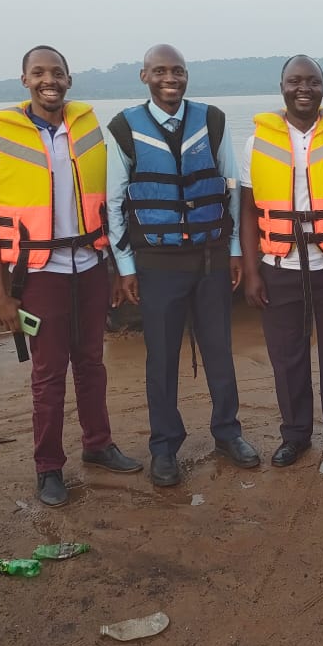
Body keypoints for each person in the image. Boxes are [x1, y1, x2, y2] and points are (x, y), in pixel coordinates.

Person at [0, 46, 142, 507]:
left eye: (57, 73)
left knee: (92, 363)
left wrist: (111, 267)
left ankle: (98, 444)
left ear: (69, 79)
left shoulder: (87, 127)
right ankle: (48, 466)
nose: (49, 80)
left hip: (88, 265)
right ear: (25, 80)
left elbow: (106, 206)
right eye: (39, 73)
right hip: (38, 272)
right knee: (48, 376)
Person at [106, 44, 258, 487]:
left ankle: (228, 433)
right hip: (157, 262)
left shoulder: (212, 120)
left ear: (187, 75)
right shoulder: (123, 128)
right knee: (162, 358)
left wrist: (233, 251)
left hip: (210, 257)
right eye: (159, 71)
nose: (169, 78)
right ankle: (164, 446)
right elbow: (115, 202)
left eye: (177, 71)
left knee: (218, 351)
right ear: (143, 76)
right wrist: (125, 265)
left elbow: (230, 189)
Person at [240, 55, 323, 468]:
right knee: (287, 356)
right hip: (279, 265)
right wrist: (251, 271)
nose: (304, 88)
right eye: (295, 81)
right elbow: (247, 210)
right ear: (282, 86)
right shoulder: (256, 142)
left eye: (312, 81)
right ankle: (295, 434)